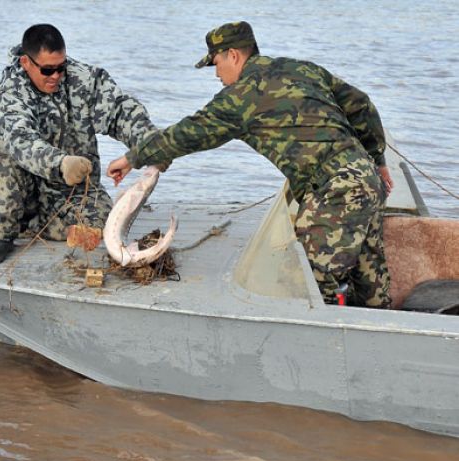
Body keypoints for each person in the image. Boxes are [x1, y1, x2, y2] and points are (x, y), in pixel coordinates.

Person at [107, 21, 393, 308]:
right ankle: (383, 338)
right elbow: (361, 105)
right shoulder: (301, 69)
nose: (216, 74)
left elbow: (186, 134)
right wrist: (377, 160)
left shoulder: (240, 97)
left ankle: (312, 347)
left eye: (216, 63)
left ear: (233, 55)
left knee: (304, 286)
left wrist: (131, 158)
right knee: (371, 281)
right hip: (366, 179)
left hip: (333, 192)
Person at [0, 24, 156, 266]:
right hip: (24, 187)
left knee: (104, 220)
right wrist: (60, 163)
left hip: (68, 191)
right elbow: (20, 140)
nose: (55, 76)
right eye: (48, 70)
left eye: (61, 68)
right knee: (3, 154)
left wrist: (150, 143)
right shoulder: (11, 92)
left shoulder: (83, 79)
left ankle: (38, 226)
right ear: (25, 62)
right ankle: (3, 235)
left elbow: (120, 111)